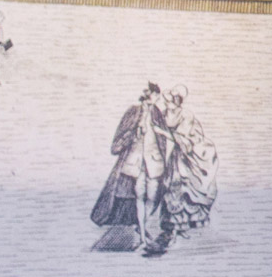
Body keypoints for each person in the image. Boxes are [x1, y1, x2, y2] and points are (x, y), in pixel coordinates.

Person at [92, 83, 168, 250]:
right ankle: (142, 235)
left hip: (154, 161)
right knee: (139, 198)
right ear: (151, 95)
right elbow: (120, 138)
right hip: (136, 161)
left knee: (153, 198)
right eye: (157, 95)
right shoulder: (133, 111)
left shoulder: (157, 113)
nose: (158, 98)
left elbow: (163, 139)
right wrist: (135, 133)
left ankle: (142, 227)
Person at [151, 88, 217, 255]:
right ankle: (172, 228)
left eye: (171, 101)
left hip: (191, 152)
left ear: (178, 102)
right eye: (167, 101)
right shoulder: (165, 112)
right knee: (171, 186)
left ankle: (176, 229)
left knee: (181, 186)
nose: (168, 103)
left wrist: (161, 132)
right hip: (177, 154)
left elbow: (183, 140)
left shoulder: (186, 115)